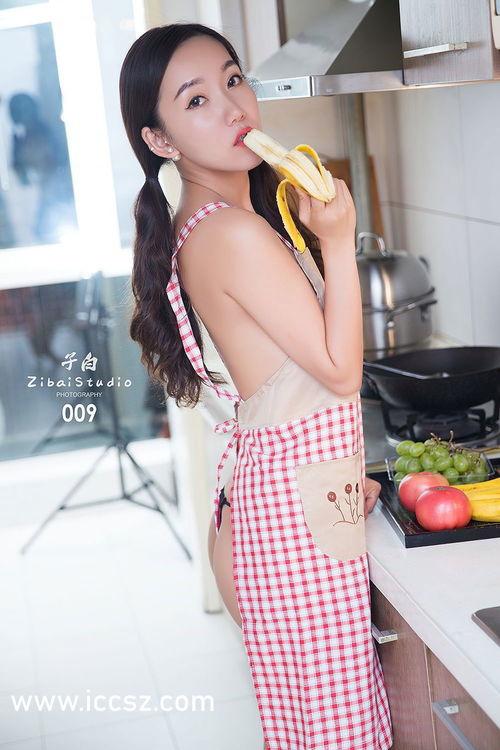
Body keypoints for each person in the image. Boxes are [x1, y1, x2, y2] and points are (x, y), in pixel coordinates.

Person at [119, 22, 393, 750]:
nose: (233, 107)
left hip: (280, 508)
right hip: (289, 537)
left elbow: (280, 382)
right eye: (197, 100)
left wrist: (336, 483)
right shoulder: (232, 234)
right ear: (161, 140)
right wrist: (338, 240)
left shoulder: (209, 222)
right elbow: (338, 371)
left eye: (233, 80)